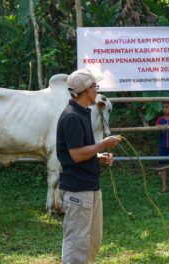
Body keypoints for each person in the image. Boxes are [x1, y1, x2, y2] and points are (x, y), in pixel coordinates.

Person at [56, 69, 122, 264]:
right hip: (78, 190)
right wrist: (103, 144)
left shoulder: (83, 113)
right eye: (95, 86)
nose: (97, 90)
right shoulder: (72, 117)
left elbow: (81, 149)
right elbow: (76, 155)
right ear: (87, 90)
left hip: (90, 187)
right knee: (77, 245)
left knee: (92, 242)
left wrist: (99, 155)